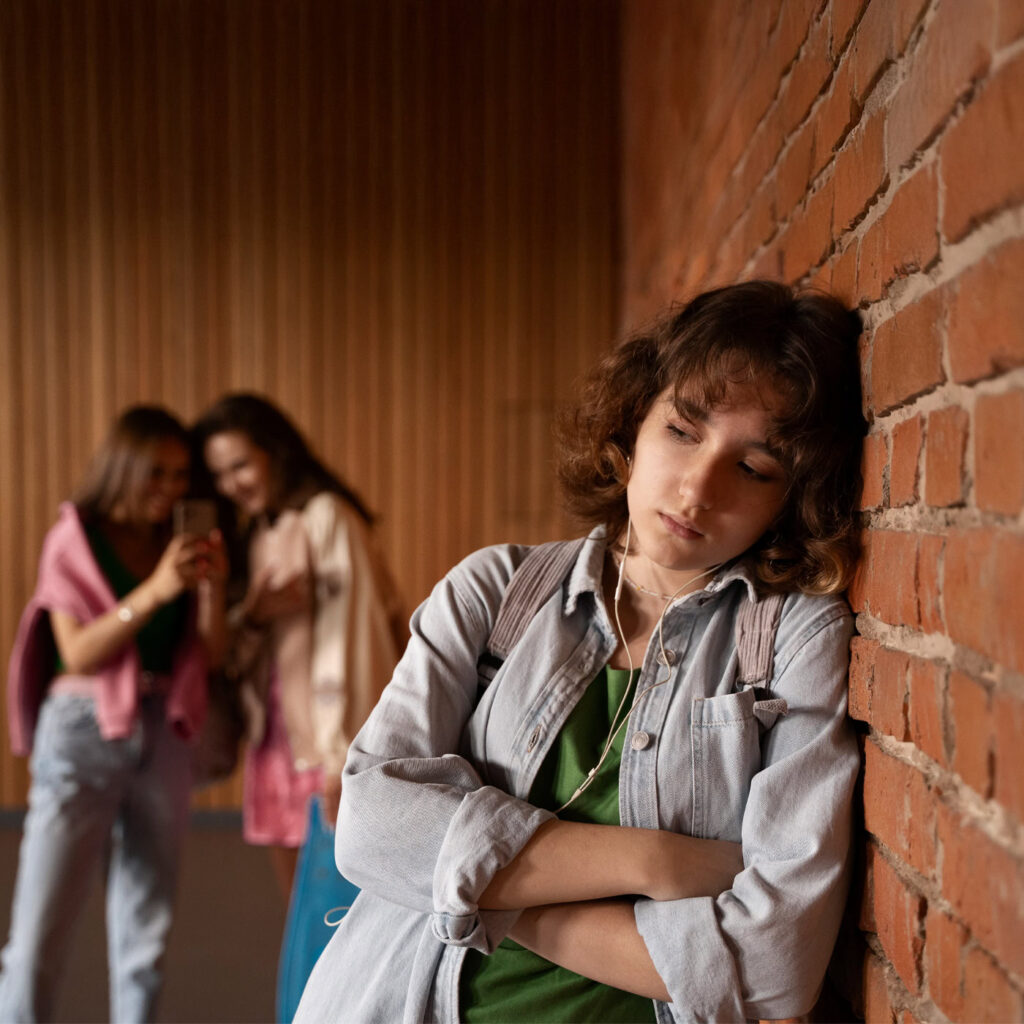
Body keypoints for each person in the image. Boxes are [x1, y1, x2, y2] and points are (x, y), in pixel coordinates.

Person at [294, 280, 867, 1024]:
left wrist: (471, 890)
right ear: (633, 428)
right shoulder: (495, 590)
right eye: (683, 432)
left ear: (790, 496)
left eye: (753, 468)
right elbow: (369, 828)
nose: (697, 489)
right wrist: (656, 863)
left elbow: (773, 971)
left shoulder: (791, 639)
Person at [0, 405, 226, 1023]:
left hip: (164, 728)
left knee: (146, 932)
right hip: (81, 727)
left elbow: (209, 655)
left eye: (181, 477)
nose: (170, 490)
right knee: (39, 932)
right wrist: (156, 589)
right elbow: (76, 651)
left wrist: (210, 590)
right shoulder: (74, 539)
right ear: (122, 467)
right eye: (155, 473)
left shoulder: (175, 541)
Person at [193, 393, 405, 900]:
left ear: (275, 451)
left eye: (240, 465)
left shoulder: (326, 516)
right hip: (276, 739)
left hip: (328, 743)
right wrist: (250, 613)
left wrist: (341, 756)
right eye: (219, 473)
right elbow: (236, 655)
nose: (231, 484)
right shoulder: (260, 530)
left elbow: (350, 644)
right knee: (301, 908)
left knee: (343, 906)